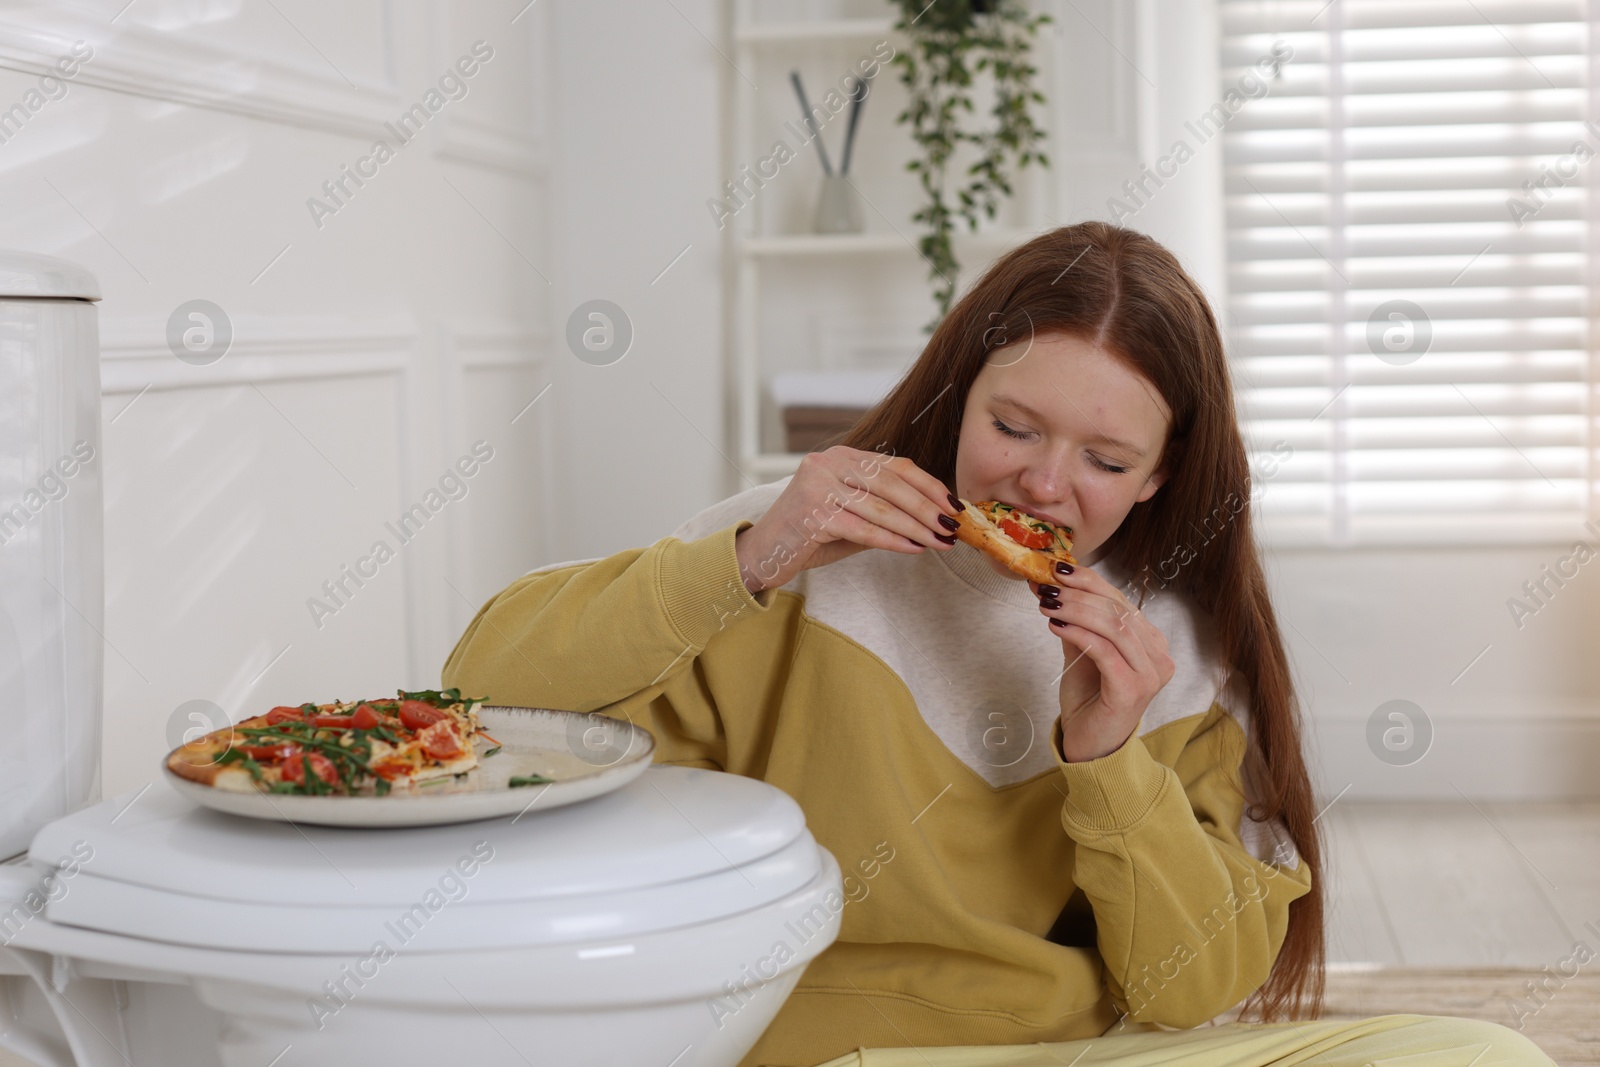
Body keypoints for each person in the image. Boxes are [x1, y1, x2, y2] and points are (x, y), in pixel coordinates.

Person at [441, 222, 1555, 1067]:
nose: (1042, 482)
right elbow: (482, 682)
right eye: (1013, 427)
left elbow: (1191, 988)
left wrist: (1108, 758)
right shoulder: (790, 546)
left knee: (1481, 1055)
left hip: (1082, 1047)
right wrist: (744, 558)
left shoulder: (1175, 656)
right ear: (957, 395)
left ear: (1162, 474)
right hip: (824, 1050)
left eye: (1106, 460)